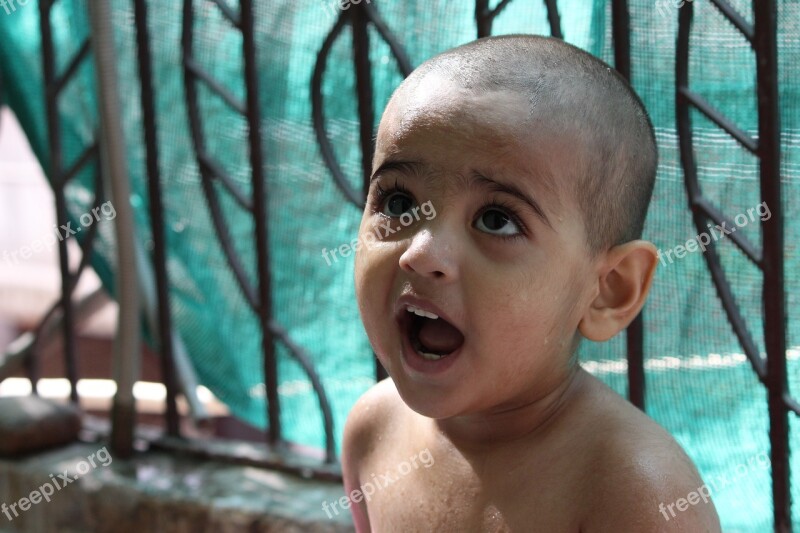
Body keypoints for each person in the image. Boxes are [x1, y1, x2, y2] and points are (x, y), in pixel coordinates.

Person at [342, 34, 722, 532]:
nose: (420, 253)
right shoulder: (371, 431)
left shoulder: (632, 492)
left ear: (609, 290)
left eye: (497, 220)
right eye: (397, 204)